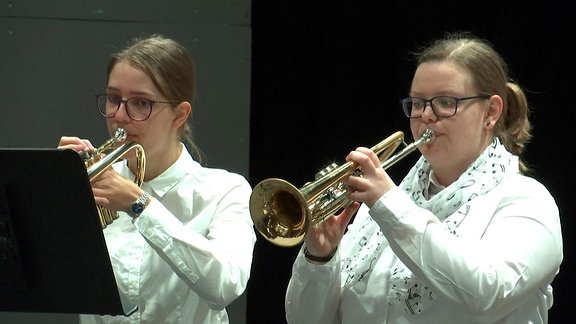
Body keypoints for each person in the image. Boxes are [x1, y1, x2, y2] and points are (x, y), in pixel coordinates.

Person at [285, 32, 563, 323]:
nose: (426, 116)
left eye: (445, 102)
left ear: (490, 112)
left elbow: (486, 295)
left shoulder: (527, 201)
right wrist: (320, 258)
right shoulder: (382, 206)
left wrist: (389, 205)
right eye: (417, 104)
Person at [58, 35, 256, 323]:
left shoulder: (225, 190)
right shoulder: (91, 183)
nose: (120, 116)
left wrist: (139, 204)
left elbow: (225, 285)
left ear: (179, 115)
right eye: (114, 99)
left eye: (141, 103)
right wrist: (52, 194)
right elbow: (56, 280)